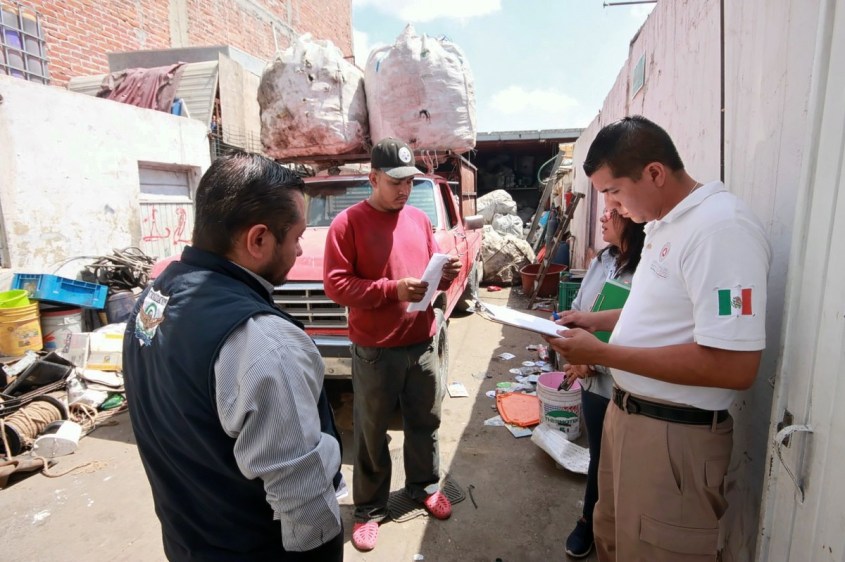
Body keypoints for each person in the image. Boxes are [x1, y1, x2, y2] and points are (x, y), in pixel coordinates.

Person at [546, 115, 770, 561]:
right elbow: (662, 307)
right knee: (614, 541)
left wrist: (605, 352)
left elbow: (735, 365)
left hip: (674, 439)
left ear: (654, 173)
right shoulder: (665, 224)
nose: (610, 205)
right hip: (629, 419)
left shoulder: (721, 230)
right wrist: (596, 320)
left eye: (612, 191)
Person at [123, 151, 344, 562]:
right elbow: (306, 511)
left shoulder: (155, 298)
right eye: (295, 237)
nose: (298, 251)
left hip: (188, 540)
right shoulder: (265, 344)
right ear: (258, 240)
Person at [323, 137, 462, 552]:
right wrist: (392, 290)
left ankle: (423, 487)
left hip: (420, 343)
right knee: (371, 432)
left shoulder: (418, 220)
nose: (404, 190)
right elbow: (337, 285)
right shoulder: (347, 224)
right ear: (374, 178)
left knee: (426, 423)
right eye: (395, 182)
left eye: (409, 182)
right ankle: (369, 510)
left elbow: (431, 273)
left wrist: (447, 273)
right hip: (375, 350)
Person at [562, 208, 645, 559]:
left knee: (626, 464)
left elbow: (641, 337)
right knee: (599, 456)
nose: (603, 218)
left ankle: (622, 528)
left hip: (625, 386)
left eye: (612, 211)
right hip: (593, 387)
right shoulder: (603, 259)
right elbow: (580, 308)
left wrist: (592, 360)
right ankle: (589, 521)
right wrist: (578, 356)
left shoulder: (647, 270)